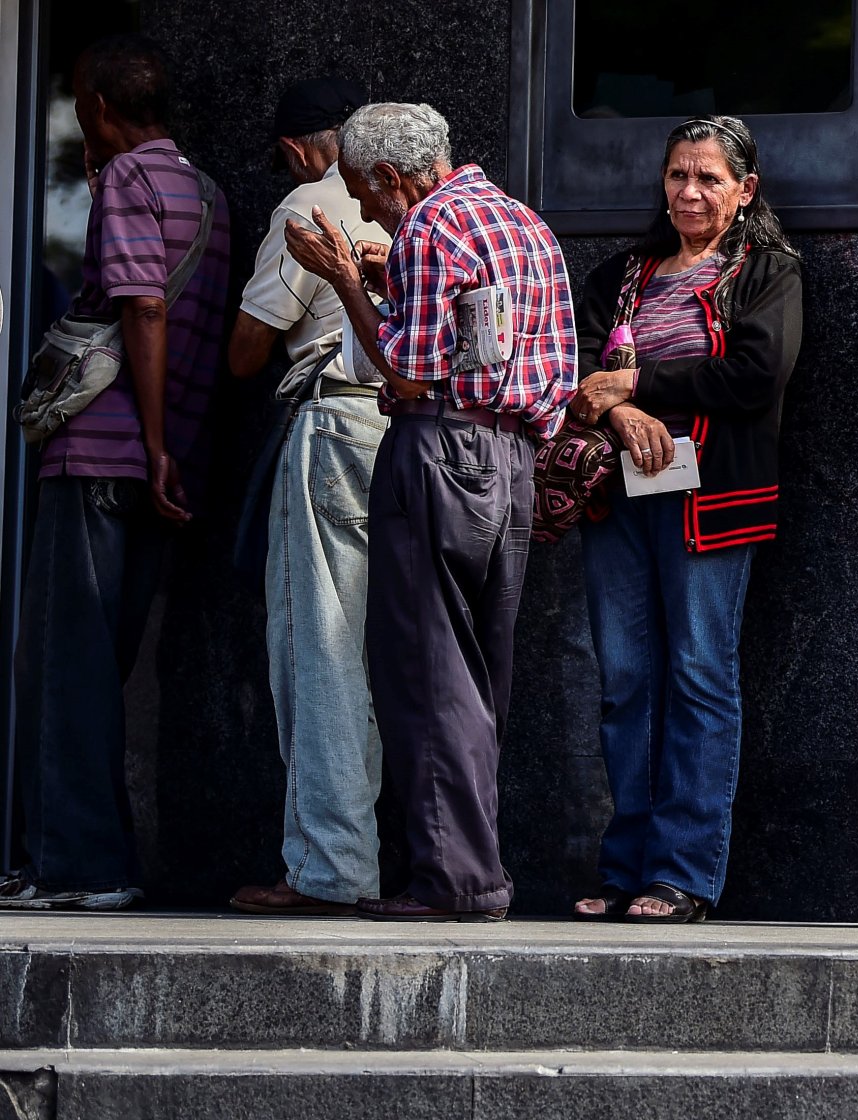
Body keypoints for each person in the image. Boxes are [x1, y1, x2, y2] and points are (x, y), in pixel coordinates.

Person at [285, 101, 576, 922]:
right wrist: (391, 280)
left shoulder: (427, 228)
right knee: (479, 677)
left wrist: (346, 279)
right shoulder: (524, 222)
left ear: (389, 175)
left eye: (365, 192)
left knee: (426, 669)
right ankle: (472, 869)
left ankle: (453, 880)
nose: (369, 210)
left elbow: (408, 372)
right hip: (512, 458)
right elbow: (493, 342)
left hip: (437, 451)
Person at [2, 35, 232, 911]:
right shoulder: (207, 191)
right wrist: (172, 446)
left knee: (66, 666)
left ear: (98, 108)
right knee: (100, 662)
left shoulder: (130, 182)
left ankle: (80, 868)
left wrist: (149, 439)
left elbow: (141, 304)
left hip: (103, 453)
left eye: (78, 107)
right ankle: (88, 860)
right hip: (157, 468)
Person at [566, 116, 803, 922]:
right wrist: (617, 409)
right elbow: (583, 374)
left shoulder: (767, 272)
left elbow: (754, 374)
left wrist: (635, 388)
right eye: (677, 175)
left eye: (708, 178)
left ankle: (682, 875)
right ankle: (626, 863)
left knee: (701, 674)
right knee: (626, 677)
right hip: (618, 498)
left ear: (746, 191)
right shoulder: (622, 274)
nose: (690, 192)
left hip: (712, 499)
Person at [226, 77, 390, 917]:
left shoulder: (310, 200)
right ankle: (391, 858)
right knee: (393, 658)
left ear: (297, 148)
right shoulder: (420, 207)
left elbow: (249, 350)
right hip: (414, 433)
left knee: (318, 650)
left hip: (331, 425)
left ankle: (329, 867)